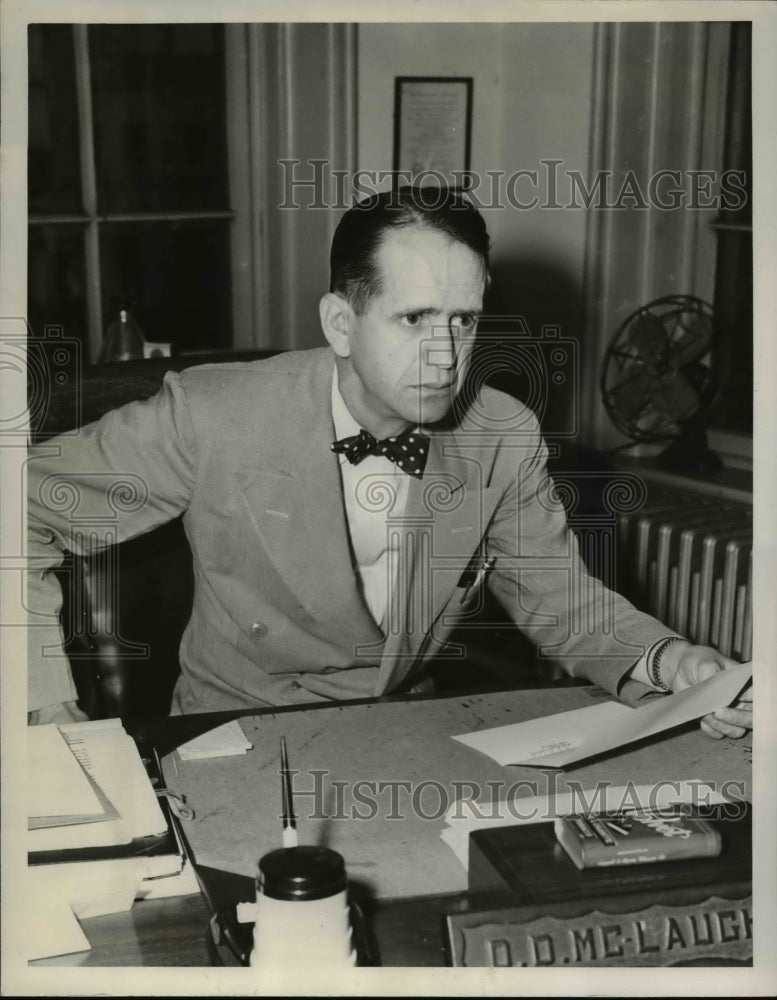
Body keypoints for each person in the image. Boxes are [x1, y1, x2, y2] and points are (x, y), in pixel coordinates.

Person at [27, 187, 751, 739]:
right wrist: (45, 706)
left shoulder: (500, 432)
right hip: (233, 732)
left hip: (404, 732)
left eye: (463, 321)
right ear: (340, 323)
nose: (446, 356)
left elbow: (562, 604)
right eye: (414, 319)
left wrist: (669, 662)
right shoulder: (212, 414)